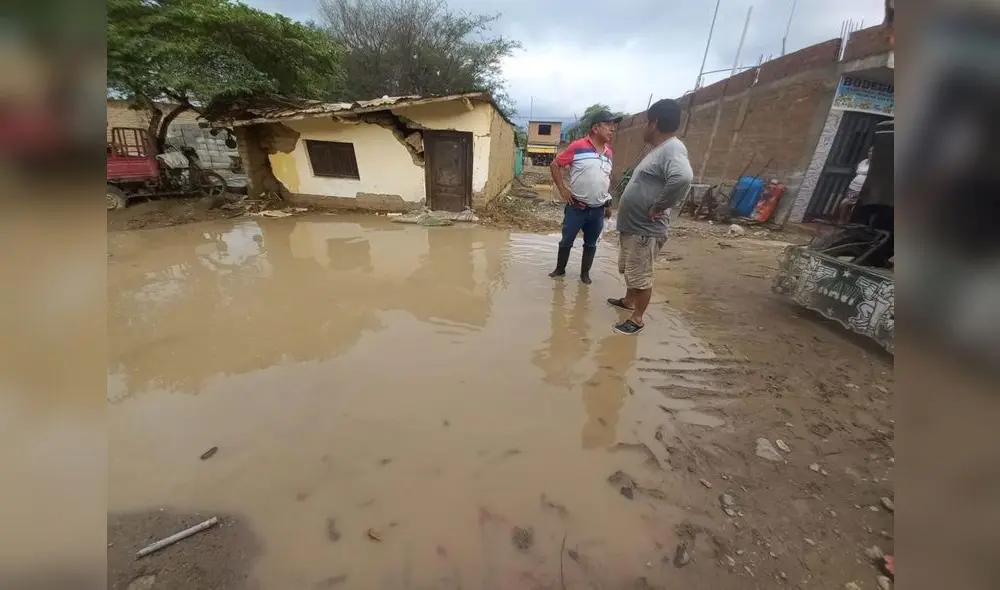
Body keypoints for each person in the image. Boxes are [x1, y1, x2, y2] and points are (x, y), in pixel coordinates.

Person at [607, 99, 692, 335]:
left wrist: (659, 206)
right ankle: (628, 302)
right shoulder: (660, 151)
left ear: (654, 123)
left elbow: (683, 178)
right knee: (632, 269)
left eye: (646, 122)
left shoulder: (673, 148)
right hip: (635, 227)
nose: (644, 127)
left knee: (641, 274)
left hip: (646, 229)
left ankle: (637, 319)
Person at [547, 109, 621, 284]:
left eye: (613, 126)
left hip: (597, 210)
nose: (612, 129)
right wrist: (562, 189)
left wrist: (608, 203)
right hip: (576, 207)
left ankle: (584, 275)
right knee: (566, 240)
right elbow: (555, 164)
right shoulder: (578, 146)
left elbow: (605, 179)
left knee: (591, 244)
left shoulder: (609, 153)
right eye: (608, 125)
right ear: (596, 128)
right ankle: (560, 270)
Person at [837, 147, 872, 223]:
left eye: (872, 152)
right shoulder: (863, 162)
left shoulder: (876, 164)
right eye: (869, 151)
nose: (870, 153)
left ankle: (847, 222)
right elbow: (857, 171)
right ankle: (842, 220)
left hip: (861, 189)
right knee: (844, 204)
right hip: (853, 187)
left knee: (849, 205)